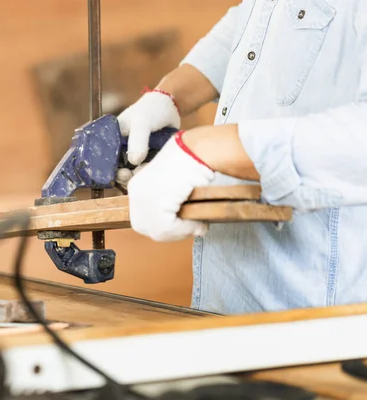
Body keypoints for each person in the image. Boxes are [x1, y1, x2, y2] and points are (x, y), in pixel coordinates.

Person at [115, 1, 367, 315]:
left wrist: (208, 148)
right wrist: (168, 96)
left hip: (320, 322)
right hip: (229, 304)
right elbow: (259, 21)